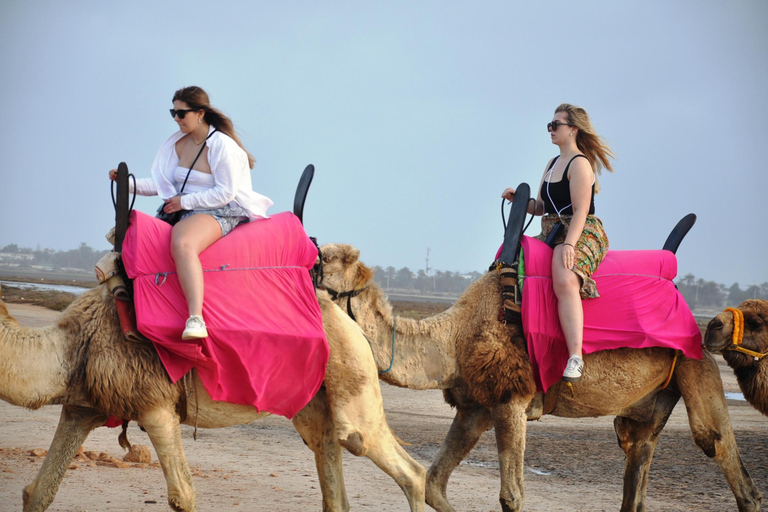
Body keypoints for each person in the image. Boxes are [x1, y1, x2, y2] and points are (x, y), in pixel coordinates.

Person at [109, 86, 273, 340]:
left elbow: (225, 193)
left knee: (183, 242)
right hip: (186, 207)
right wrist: (126, 184)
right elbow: (163, 186)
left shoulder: (222, 146)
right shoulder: (178, 144)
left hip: (222, 210)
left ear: (200, 113)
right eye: (173, 112)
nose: (176, 118)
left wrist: (184, 202)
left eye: (181, 113)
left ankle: (196, 318)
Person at [502, 103, 614, 382]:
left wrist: (569, 246)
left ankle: (575, 356)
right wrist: (519, 201)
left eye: (556, 125)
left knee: (564, 277)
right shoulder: (552, 164)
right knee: (512, 264)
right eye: (549, 125)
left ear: (573, 129)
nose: (551, 130)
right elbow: (541, 206)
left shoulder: (580, 164)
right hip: (551, 229)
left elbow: (580, 210)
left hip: (580, 230)